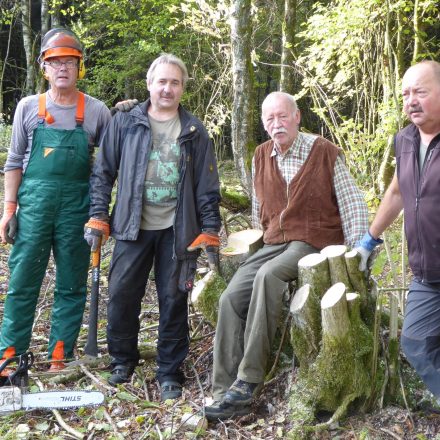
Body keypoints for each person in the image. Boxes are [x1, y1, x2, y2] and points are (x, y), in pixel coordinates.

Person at [204, 91, 369, 421]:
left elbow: (353, 206)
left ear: (297, 117)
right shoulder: (262, 155)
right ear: (264, 124)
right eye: (269, 118)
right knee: (230, 298)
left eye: (282, 116)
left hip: (313, 241)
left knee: (269, 276)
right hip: (273, 243)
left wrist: (356, 257)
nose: (276, 123)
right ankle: (223, 389)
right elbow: (258, 210)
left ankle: (248, 381)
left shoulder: (323, 152)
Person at [85, 53, 221, 400]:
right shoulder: (126, 122)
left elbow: (207, 187)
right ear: (149, 84)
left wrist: (210, 229)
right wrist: (99, 214)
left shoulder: (194, 130)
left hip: (178, 229)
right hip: (132, 226)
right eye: (161, 81)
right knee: (121, 294)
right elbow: (103, 173)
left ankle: (169, 371)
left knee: (174, 299)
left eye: (175, 82)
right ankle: (122, 360)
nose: (167, 88)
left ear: (182, 88)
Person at [0, 28, 111, 372]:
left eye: (69, 62)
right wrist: (8, 209)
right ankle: (9, 356)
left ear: (80, 67)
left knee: (72, 282)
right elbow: (15, 161)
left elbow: (105, 170)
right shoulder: (28, 108)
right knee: (21, 282)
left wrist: (99, 214)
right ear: (44, 68)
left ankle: (59, 354)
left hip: (77, 208)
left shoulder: (96, 112)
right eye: (55, 62)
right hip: (33, 206)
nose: (62, 68)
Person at [355, 60, 440, 405]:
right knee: (416, 342)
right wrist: (369, 240)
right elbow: (397, 191)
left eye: (420, 91)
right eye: (406, 93)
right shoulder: (404, 140)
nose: (411, 100)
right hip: (427, 272)